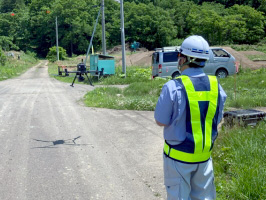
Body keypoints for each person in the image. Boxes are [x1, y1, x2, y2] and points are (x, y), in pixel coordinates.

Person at [154, 35, 227, 200]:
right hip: (204, 158)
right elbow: (218, 118)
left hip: (177, 158)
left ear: (184, 59)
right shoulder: (216, 86)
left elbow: (161, 121)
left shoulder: (173, 86)